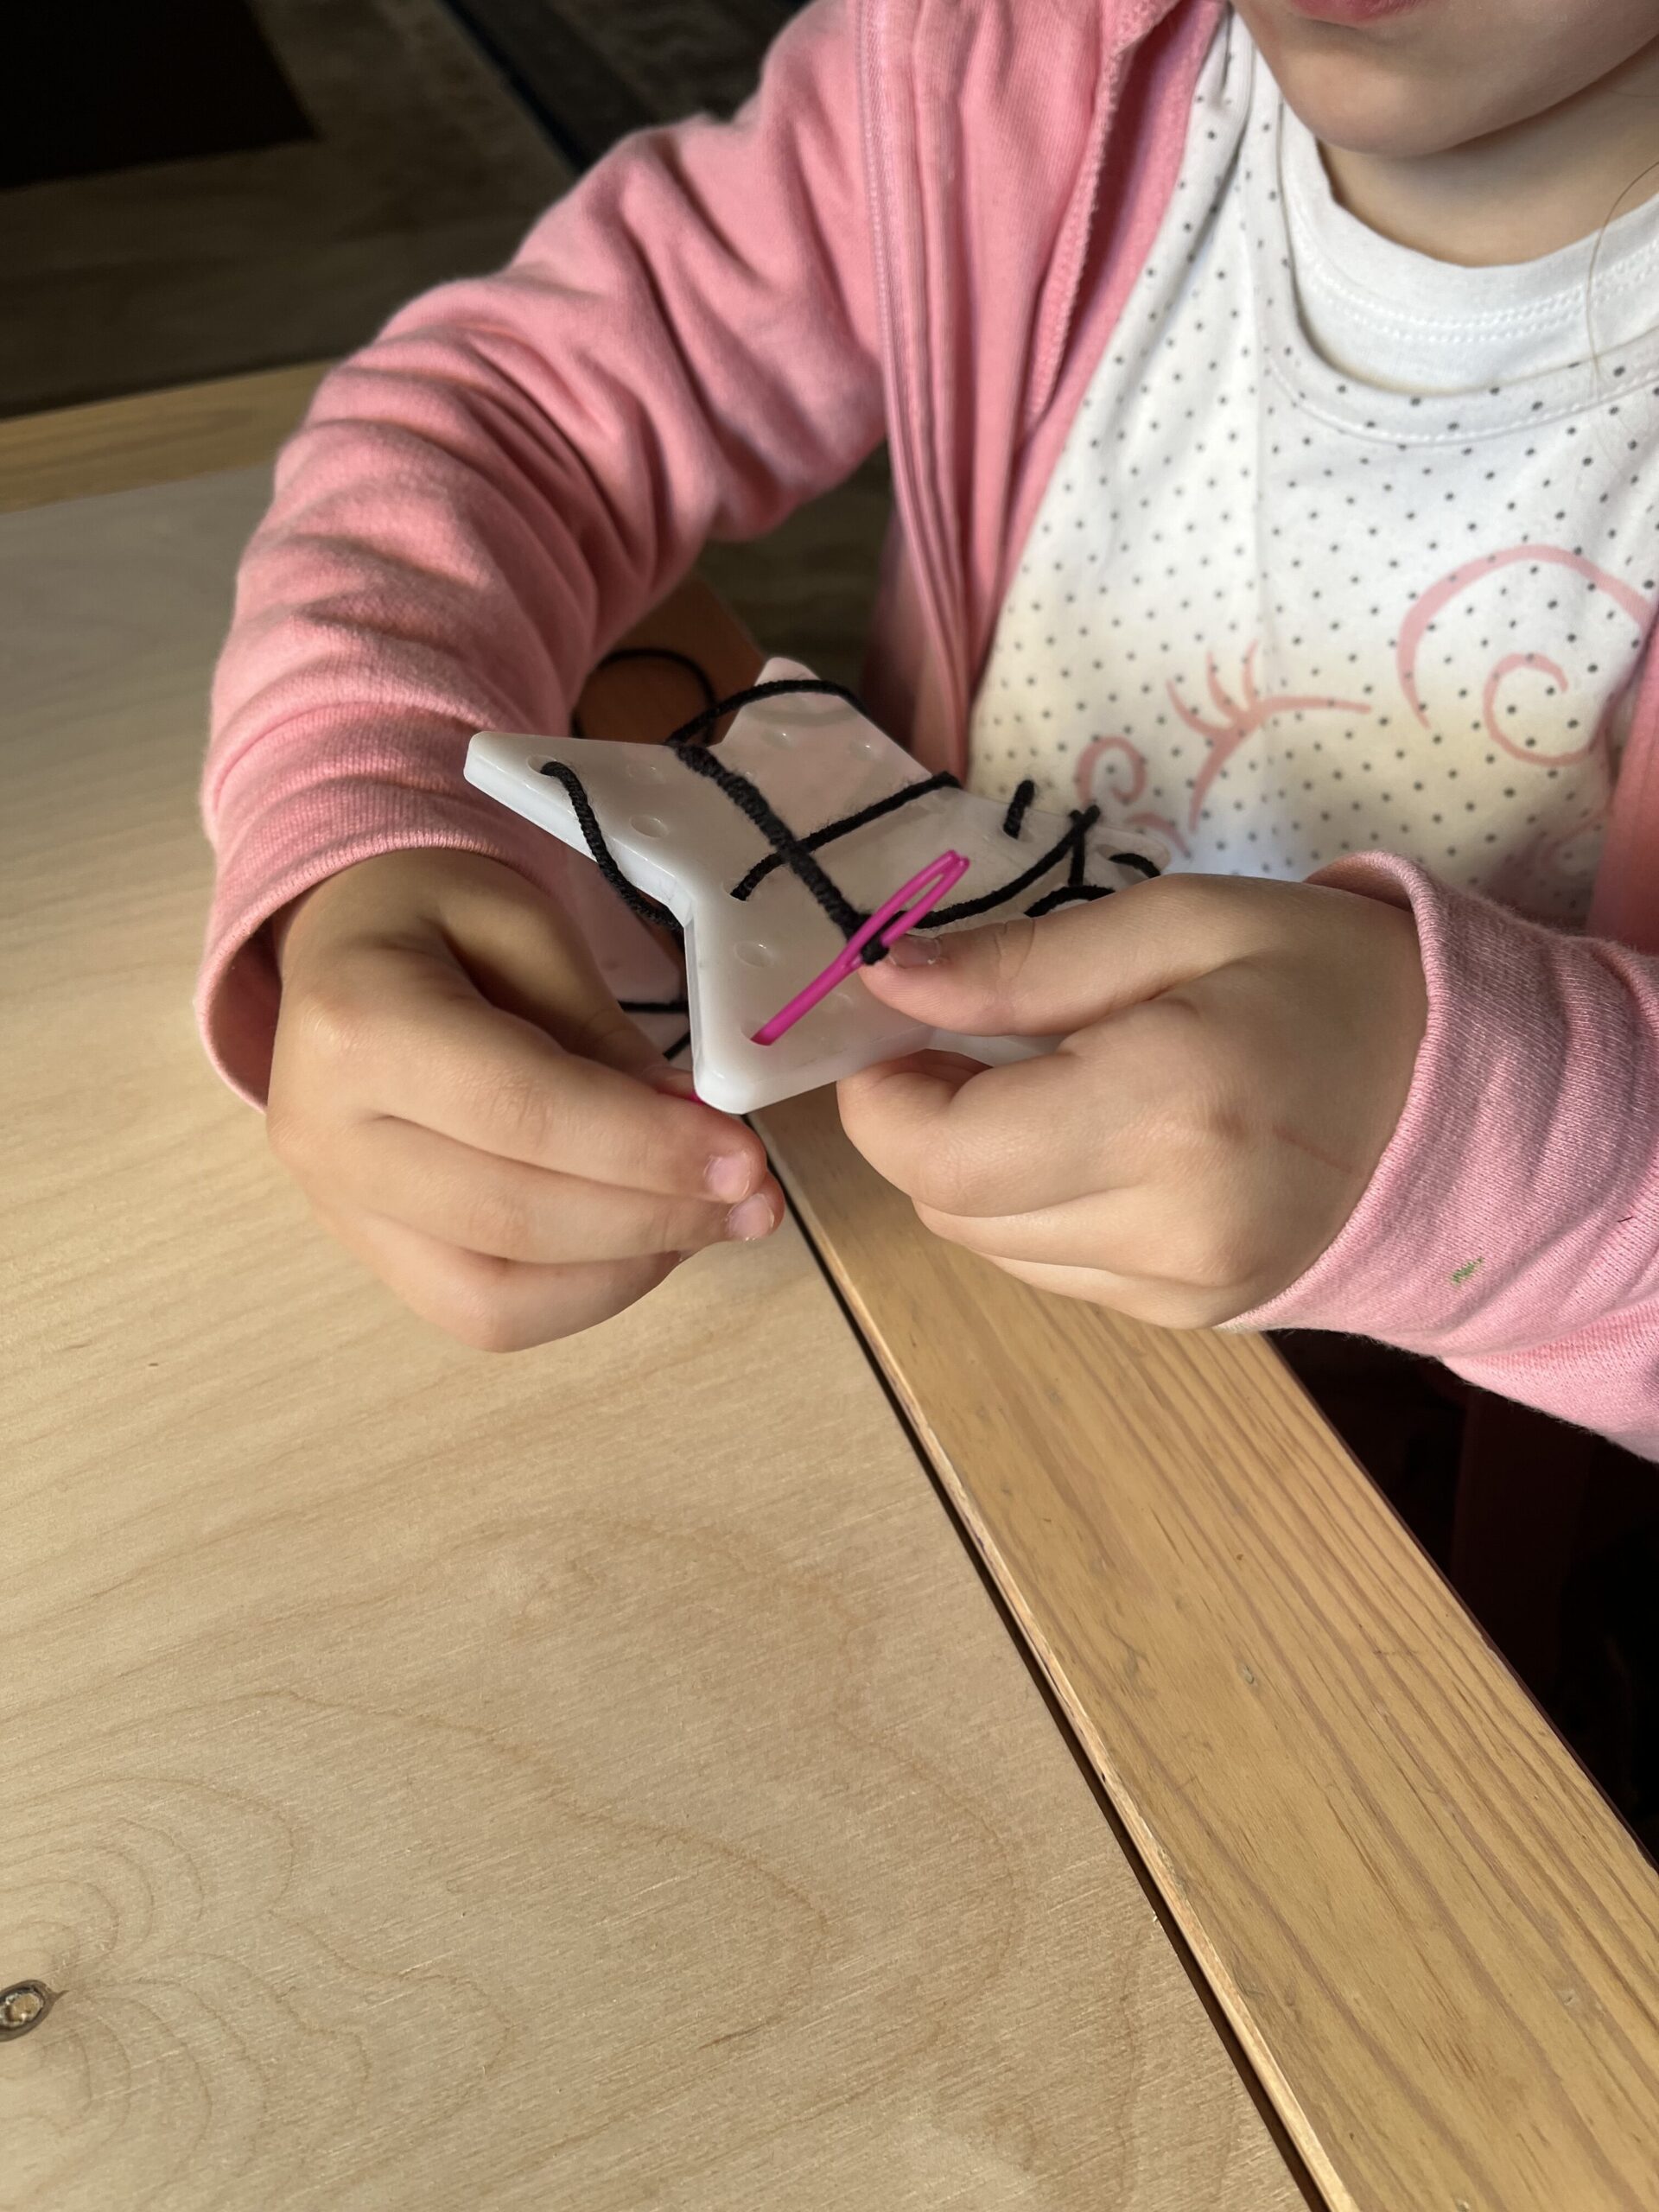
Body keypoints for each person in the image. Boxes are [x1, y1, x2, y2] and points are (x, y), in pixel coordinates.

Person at [200, 0, 1659, 1458]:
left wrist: (1482, 1148)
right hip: (924, 1307)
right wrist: (367, 812)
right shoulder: (984, 55)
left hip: (1415, 1490)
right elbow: (508, 415)